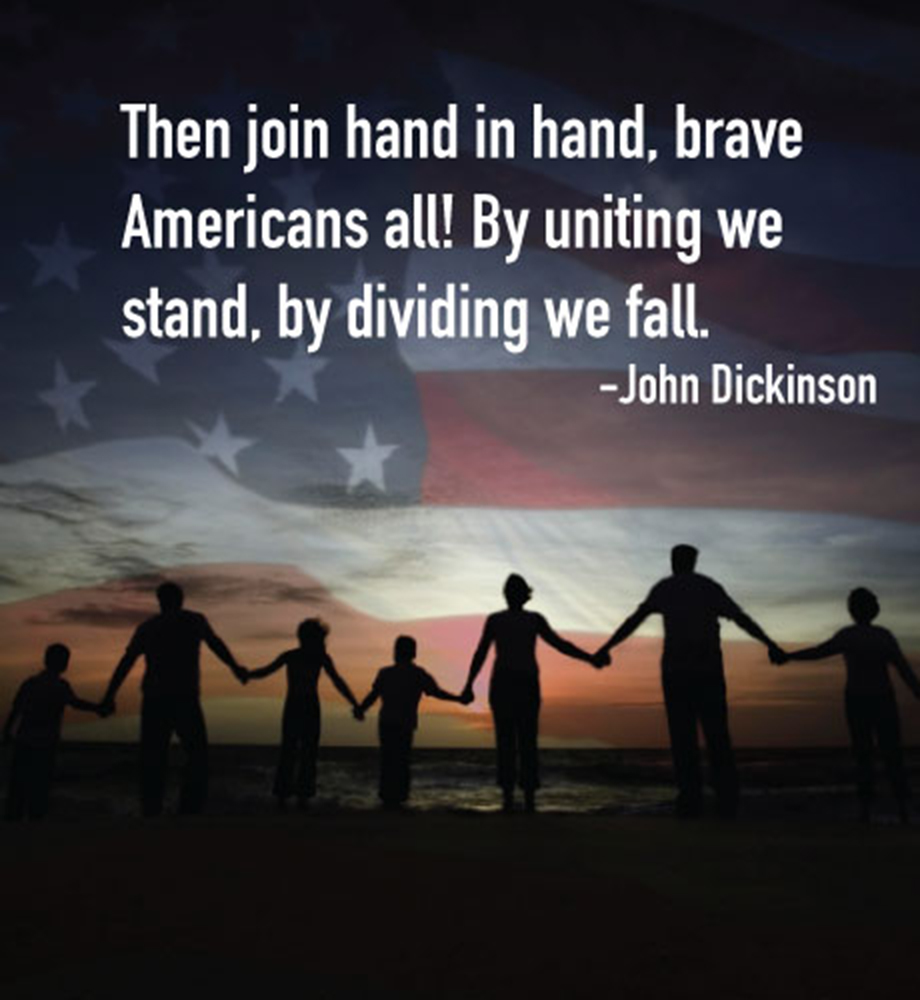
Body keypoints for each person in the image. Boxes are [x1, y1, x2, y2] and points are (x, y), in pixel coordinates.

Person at [596, 545, 783, 819]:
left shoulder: (666, 588)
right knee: (717, 735)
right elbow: (741, 619)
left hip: (678, 671)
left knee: (683, 737)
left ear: (674, 562)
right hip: (705, 668)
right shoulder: (708, 587)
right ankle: (725, 799)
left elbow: (634, 620)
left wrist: (606, 647)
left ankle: (691, 798)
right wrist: (770, 644)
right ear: (693, 562)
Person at [461, 574, 605, 813]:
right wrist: (468, 685)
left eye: (512, 590)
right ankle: (521, 798)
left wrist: (589, 658)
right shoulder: (506, 620)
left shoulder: (517, 620)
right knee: (521, 740)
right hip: (514, 683)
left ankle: (518, 798)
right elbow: (481, 652)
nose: (511, 594)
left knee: (512, 740)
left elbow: (559, 644)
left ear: (516, 594)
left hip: (514, 683)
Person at [101, 581, 247, 817]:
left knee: (154, 756)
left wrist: (109, 696)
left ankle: (152, 809)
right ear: (181, 599)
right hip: (184, 698)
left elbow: (126, 663)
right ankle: (189, 809)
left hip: (156, 698)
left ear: (160, 601)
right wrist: (235, 668)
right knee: (196, 755)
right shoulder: (193, 620)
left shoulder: (148, 627)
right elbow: (215, 644)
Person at [776, 588, 920, 824]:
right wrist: (916, 691)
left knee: (865, 754)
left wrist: (788, 656)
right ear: (873, 609)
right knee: (891, 753)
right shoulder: (883, 636)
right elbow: (904, 670)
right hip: (879, 699)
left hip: (861, 700)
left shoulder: (852, 635)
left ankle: (869, 809)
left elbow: (819, 652)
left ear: (853, 610)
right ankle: (900, 808)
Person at [242, 619, 360, 809]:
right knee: (302, 752)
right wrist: (355, 705)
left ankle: (288, 797)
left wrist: (247, 675)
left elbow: (265, 671)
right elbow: (338, 682)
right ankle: (297, 797)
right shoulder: (310, 657)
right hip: (303, 706)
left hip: (298, 705)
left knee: (295, 751)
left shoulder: (301, 656)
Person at [355, 635, 465, 809]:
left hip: (388, 722)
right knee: (401, 759)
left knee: (388, 759)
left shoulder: (387, 673)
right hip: (404, 722)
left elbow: (373, 695)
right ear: (414, 653)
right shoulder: (417, 674)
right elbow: (436, 692)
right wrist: (458, 699)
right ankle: (398, 797)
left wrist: (361, 709)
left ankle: (388, 797)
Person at [3, 644, 107, 820]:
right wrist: (98, 708)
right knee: (40, 785)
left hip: (24, 740)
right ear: (63, 664)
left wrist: (6, 732)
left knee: (18, 786)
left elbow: (15, 710)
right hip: (46, 742)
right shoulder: (60, 686)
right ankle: (34, 820)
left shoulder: (30, 683)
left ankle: (15, 822)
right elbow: (75, 703)